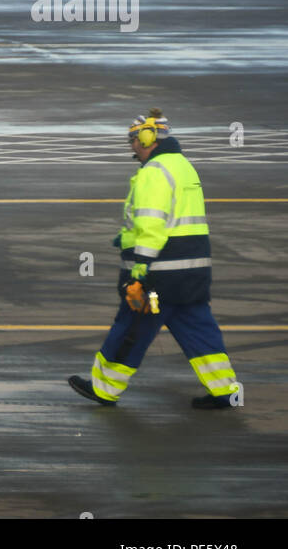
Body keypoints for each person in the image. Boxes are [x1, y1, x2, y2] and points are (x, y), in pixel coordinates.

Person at [69, 109, 241, 409]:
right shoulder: (183, 166)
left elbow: (152, 223)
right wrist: (124, 239)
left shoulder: (154, 172)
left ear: (148, 138)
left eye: (134, 139)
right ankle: (226, 390)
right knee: (198, 327)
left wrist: (140, 266)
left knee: (131, 327)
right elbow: (177, 219)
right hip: (192, 269)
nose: (131, 146)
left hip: (160, 272)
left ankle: (104, 388)